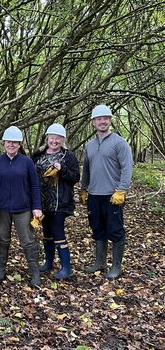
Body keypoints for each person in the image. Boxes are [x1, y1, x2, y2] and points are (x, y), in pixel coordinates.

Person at [80, 104, 133, 279]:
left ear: (110, 120)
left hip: (113, 196)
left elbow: (127, 168)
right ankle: (100, 262)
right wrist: (83, 188)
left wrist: (122, 190)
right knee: (98, 229)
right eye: (98, 119)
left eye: (105, 118)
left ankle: (116, 266)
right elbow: (86, 169)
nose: (102, 121)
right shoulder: (89, 146)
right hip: (94, 195)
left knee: (115, 230)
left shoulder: (119, 143)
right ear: (93, 122)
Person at [0, 126, 42, 286]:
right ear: (4, 143)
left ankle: (35, 273)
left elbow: (34, 185)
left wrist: (36, 206)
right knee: (2, 239)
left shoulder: (27, 162)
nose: (11, 145)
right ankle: (1, 269)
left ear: (19, 145)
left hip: (23, 208)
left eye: (15, 143)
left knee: (27, 240)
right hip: (1, 208)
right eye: (9, 142)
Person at [31, 123, 80, 280]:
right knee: (46, 233)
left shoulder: (68, 156)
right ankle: (49, 262)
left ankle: (67, 268)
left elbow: (75, 177)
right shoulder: (38, 155)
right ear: (47, 138)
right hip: (42, 201)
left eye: (58, 138)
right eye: (52, 137)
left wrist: (62, 169)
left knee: (58, 232)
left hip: (60, 201)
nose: (54, 141)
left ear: (63, 140)